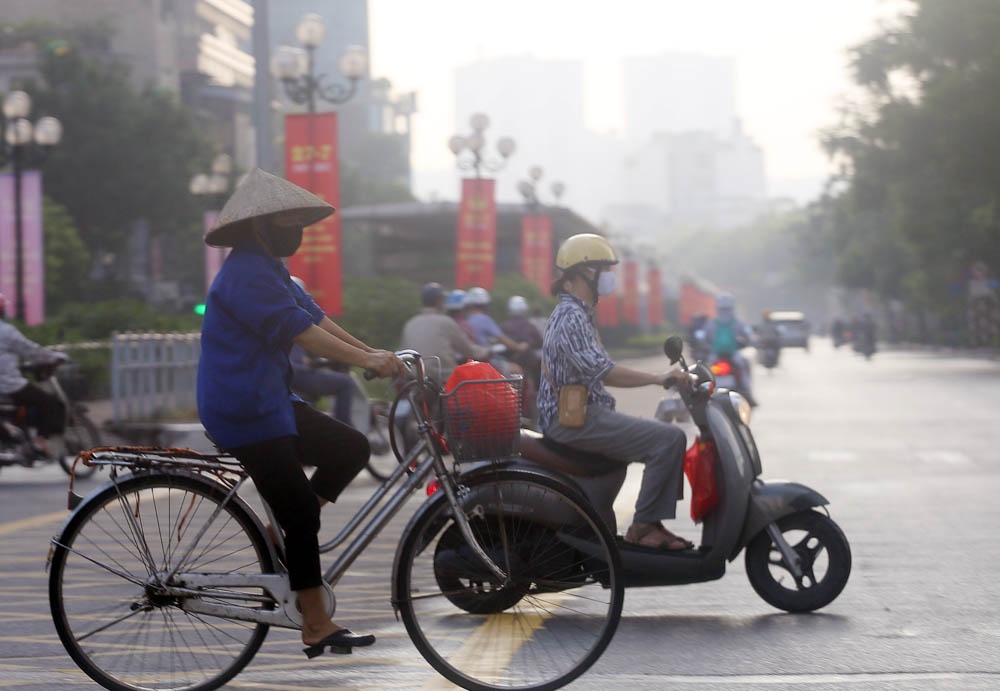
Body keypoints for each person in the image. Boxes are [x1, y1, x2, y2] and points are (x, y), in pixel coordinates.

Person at [196, 168, 405, 658]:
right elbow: (300, 332)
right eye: (287, 221)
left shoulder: (270, 268)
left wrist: (373, 353)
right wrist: (368, 359)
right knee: (302, 516)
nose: (296, 230)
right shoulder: (245, 273)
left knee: (349, 448)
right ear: (260, 225)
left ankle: (280, 534)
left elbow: (315, 317)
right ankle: (315, 623)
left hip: (270, 400)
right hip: (243, 408)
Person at [537, 233, 694, 551]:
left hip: (585, 416)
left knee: (659, 437)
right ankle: (645, 526)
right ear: (585, 273)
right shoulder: (571, 317)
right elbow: (604, 371)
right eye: (604, 269)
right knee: (668, 440)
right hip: (576, 420)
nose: (610, 277)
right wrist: (659, 378)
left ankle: (620, 528)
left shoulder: (580, 314)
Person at [0, 292, 67, 452]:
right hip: (9, 386)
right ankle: (40, 440)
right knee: (49, 402)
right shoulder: (6, 331)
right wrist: (54, 357)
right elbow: (31, 350)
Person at [287, 277, 354, 425]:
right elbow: (318, 341)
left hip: (283, 375)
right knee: (346, 383)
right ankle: (345, 425)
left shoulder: (273, 315)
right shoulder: (298, 319)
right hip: (296, 374)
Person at [400, 282, 492, 384]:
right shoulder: (446, 322)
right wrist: (487, 351)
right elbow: (468, 350)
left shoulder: (411, 323)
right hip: (442, 378)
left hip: (413, 378)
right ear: (439, 301)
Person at [704, 294, 757, 406]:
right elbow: (748, 336)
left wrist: (706, 345)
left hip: (716, 355)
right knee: (743, 367)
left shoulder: (712, 323)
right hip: (733, 354)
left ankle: (703, 393)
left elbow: (705, 338)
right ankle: (747, 392)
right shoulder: (737, 322)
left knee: (706, 371)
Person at [464, 287, 530, 376]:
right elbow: (503, 339)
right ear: (485, 304)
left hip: (469, 361)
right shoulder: (484, 319)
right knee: (516, 370)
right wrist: (518, 347)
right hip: (484, 361)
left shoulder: (465, 320)